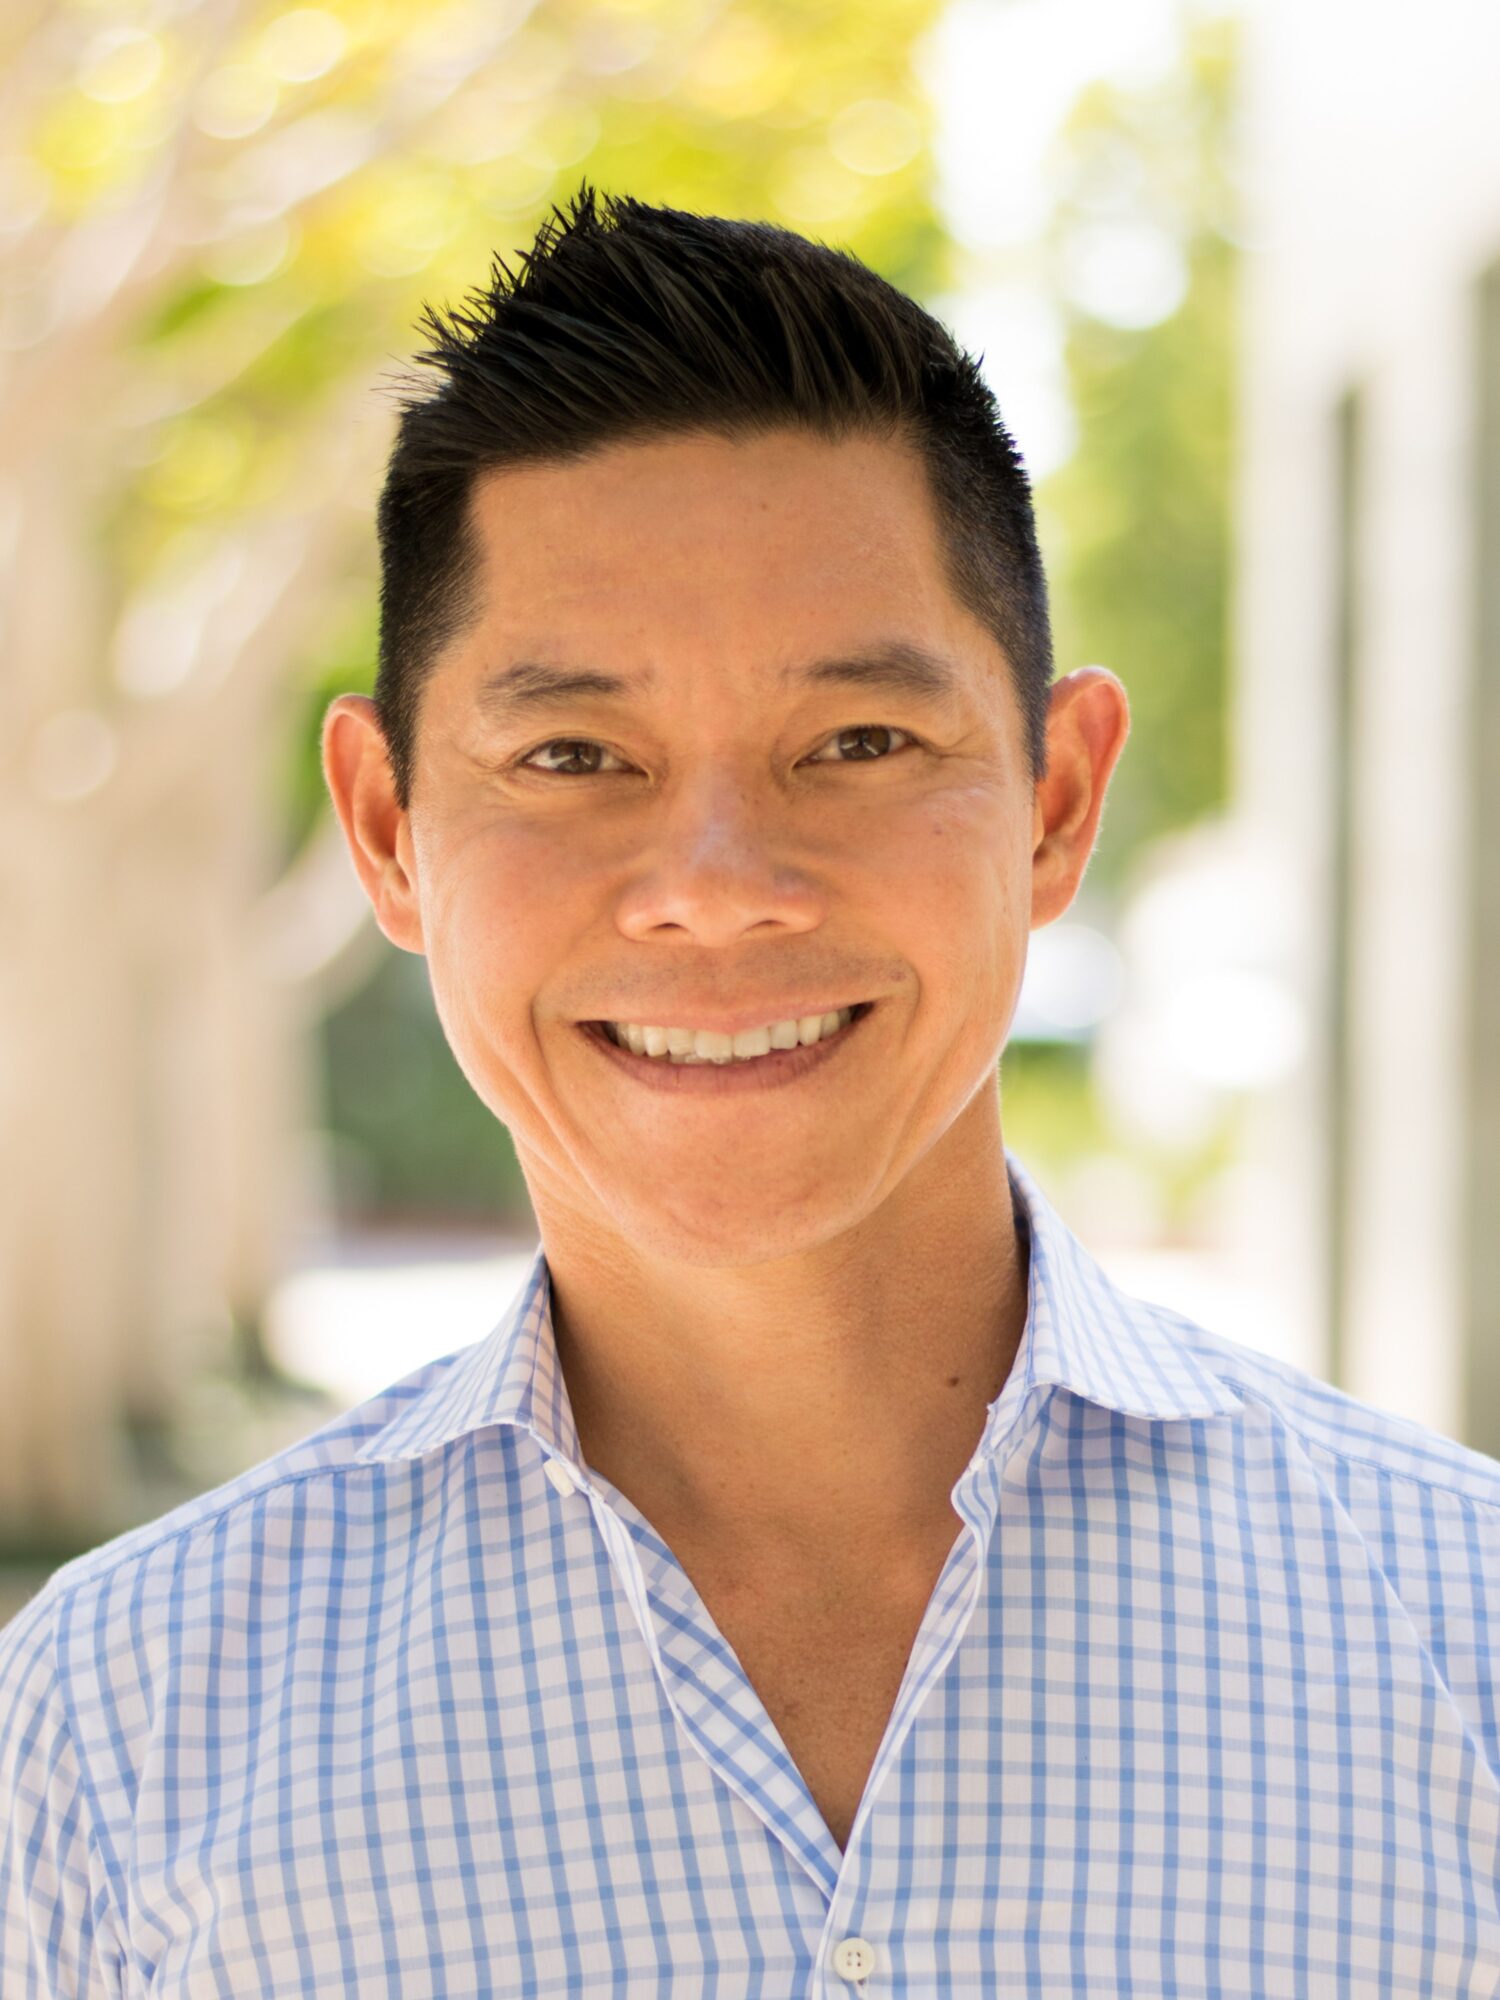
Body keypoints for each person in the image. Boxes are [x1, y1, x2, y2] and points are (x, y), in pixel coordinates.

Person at [3, 181, 1499, 1999]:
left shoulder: (1468, 1641)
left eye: (859, 742)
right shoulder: (119, 1724)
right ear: (391, 831)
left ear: (1056, 799)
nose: (717, 880)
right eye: (573, 754)